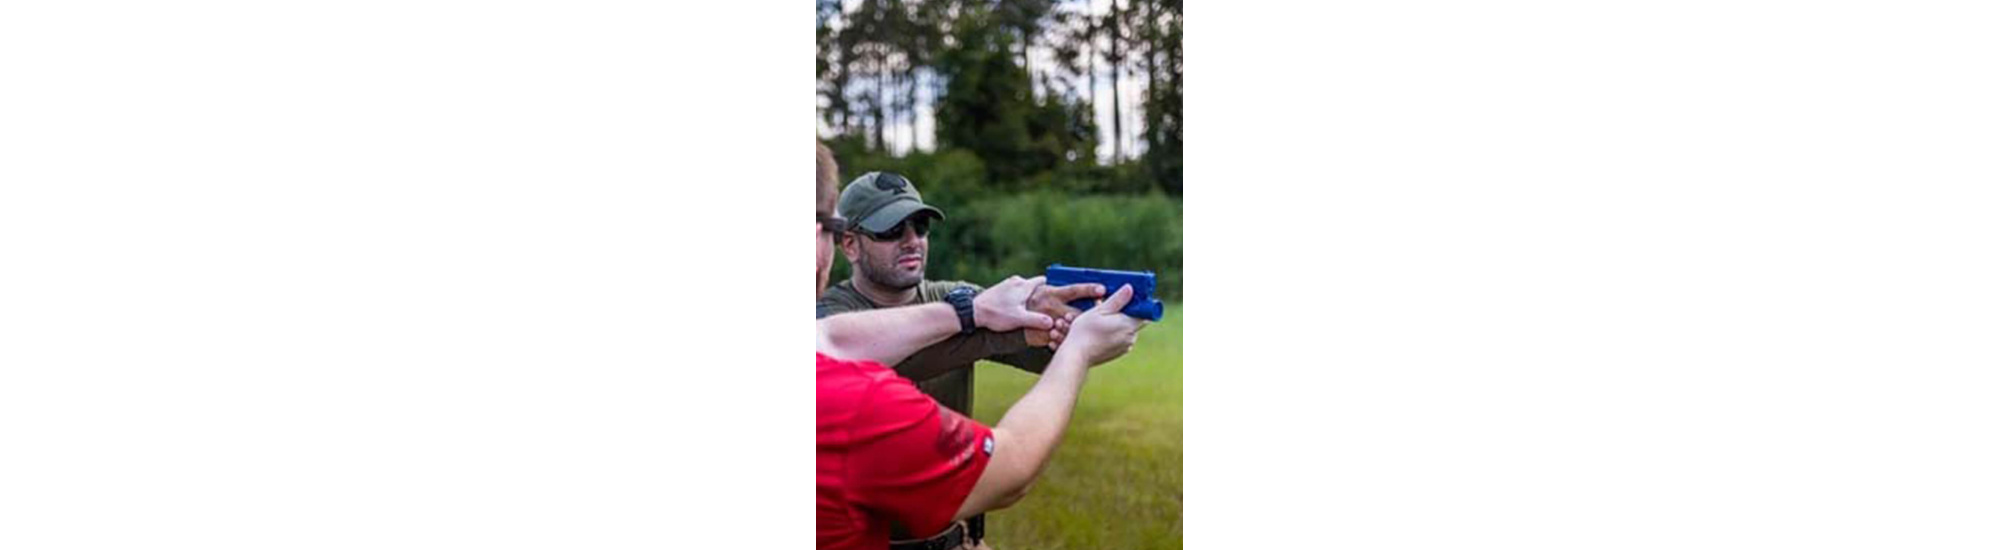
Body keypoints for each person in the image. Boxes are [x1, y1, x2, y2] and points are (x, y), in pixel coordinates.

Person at [816, 142, 1150, 550]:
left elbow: (1033, 346)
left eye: (920, 227)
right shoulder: (827, 316)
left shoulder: (954, 295)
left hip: (958, 538)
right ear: (848, 244)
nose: (912, 240)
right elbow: (883, 359)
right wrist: (991, 325)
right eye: (891, 230)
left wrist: (1067, 321)